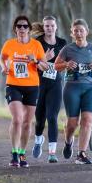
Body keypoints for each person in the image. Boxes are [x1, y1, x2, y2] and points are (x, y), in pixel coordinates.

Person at [54, 19, 92, 164]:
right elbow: (56, 66)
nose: (78, 33)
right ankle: (68, 141)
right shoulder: (67, 49)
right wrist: (66, 64)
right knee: (72, 123)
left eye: (81, 30)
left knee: (88, 120)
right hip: (72, 87)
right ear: (72, 33)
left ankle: (81, 154)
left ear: (86, 32)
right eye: (75, 30)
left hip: (90, 88)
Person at [0, 15, 49, 168]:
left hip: (32, 86)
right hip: (13, 84)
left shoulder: (36, 45)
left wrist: (35, 60)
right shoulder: (9, 44)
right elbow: (2, 57)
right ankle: (14, 153)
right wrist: (4, 67)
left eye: (25, 26)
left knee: (27, 123)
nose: (22, 29)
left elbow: (45, 67)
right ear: (15, 29)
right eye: (19, 26)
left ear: (29, 29)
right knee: (17, 119)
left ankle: (22, 152)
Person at [32, 16, 67, 163]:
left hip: (55, 83)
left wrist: (65, 65)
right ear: (44, 27)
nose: (49, 28)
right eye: (47, 26)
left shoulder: (62, 43)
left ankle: (52, 152)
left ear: (56, 27)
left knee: (52, 117)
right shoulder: (37, 42)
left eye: (52, 26)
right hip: (39, 82)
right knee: (40, 119)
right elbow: (32, 63)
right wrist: (45, 58)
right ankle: (38, 140)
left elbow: (65, 61)